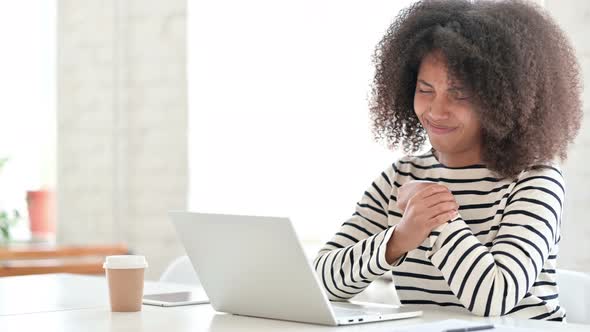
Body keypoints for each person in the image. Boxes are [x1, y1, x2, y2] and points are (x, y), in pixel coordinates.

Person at [313, 0, 582, 321]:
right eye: (425, 90)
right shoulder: (399, 177)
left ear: (503, 100)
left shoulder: (535, 179)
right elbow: (319, 281)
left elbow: (494, 299)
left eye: (460, 95)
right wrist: (397, 240)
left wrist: (436, 215)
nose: (436, 111)